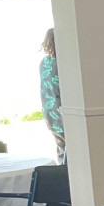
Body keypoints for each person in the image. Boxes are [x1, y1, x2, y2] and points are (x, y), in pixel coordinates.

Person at [39, 28, 66, 163]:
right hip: (63, 113)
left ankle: (63, 179)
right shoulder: (63, 62)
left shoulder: (45, 62)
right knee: (72, 152)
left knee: (62, 150)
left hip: (50, 114)